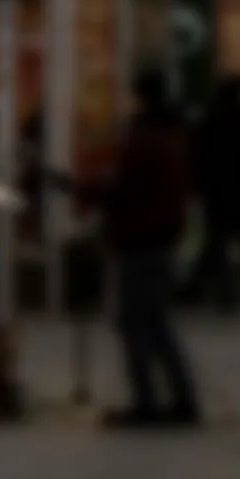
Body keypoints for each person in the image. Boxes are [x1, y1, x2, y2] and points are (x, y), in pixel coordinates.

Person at [93, 67, 203, 429]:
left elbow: (124, 189)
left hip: (140, 239)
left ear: (140, 97)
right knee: (156, 323)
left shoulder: (144, 138)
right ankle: (183, 397)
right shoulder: (172, 134)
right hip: (160, 238)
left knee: (136, 324)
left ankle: (146, 401)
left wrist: (86, 191)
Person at [186, 74, 240, 314]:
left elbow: (198, 158)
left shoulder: (210, 122)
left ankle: (227, 297)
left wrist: (198, 186)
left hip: (219, 194)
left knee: (220, 246)